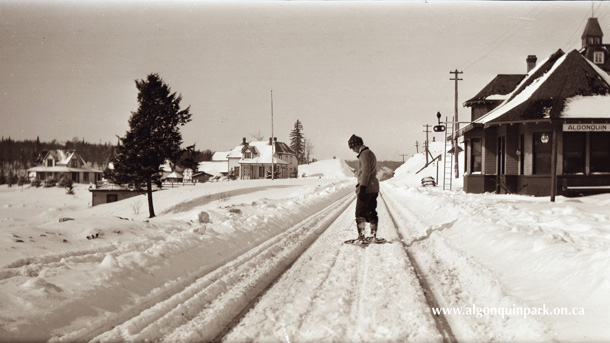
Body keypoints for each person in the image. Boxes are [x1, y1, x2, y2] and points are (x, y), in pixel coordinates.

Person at [348, 134, 380, 243]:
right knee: (371, 211)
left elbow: (366, 172)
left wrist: (362, 187)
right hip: (373, 187)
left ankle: (361, 237)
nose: (353, 150)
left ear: (357, 145)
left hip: (367, 188)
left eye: (352, 148)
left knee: (360, 213)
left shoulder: (364, 154)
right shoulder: (369, 153)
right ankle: (373, 237)